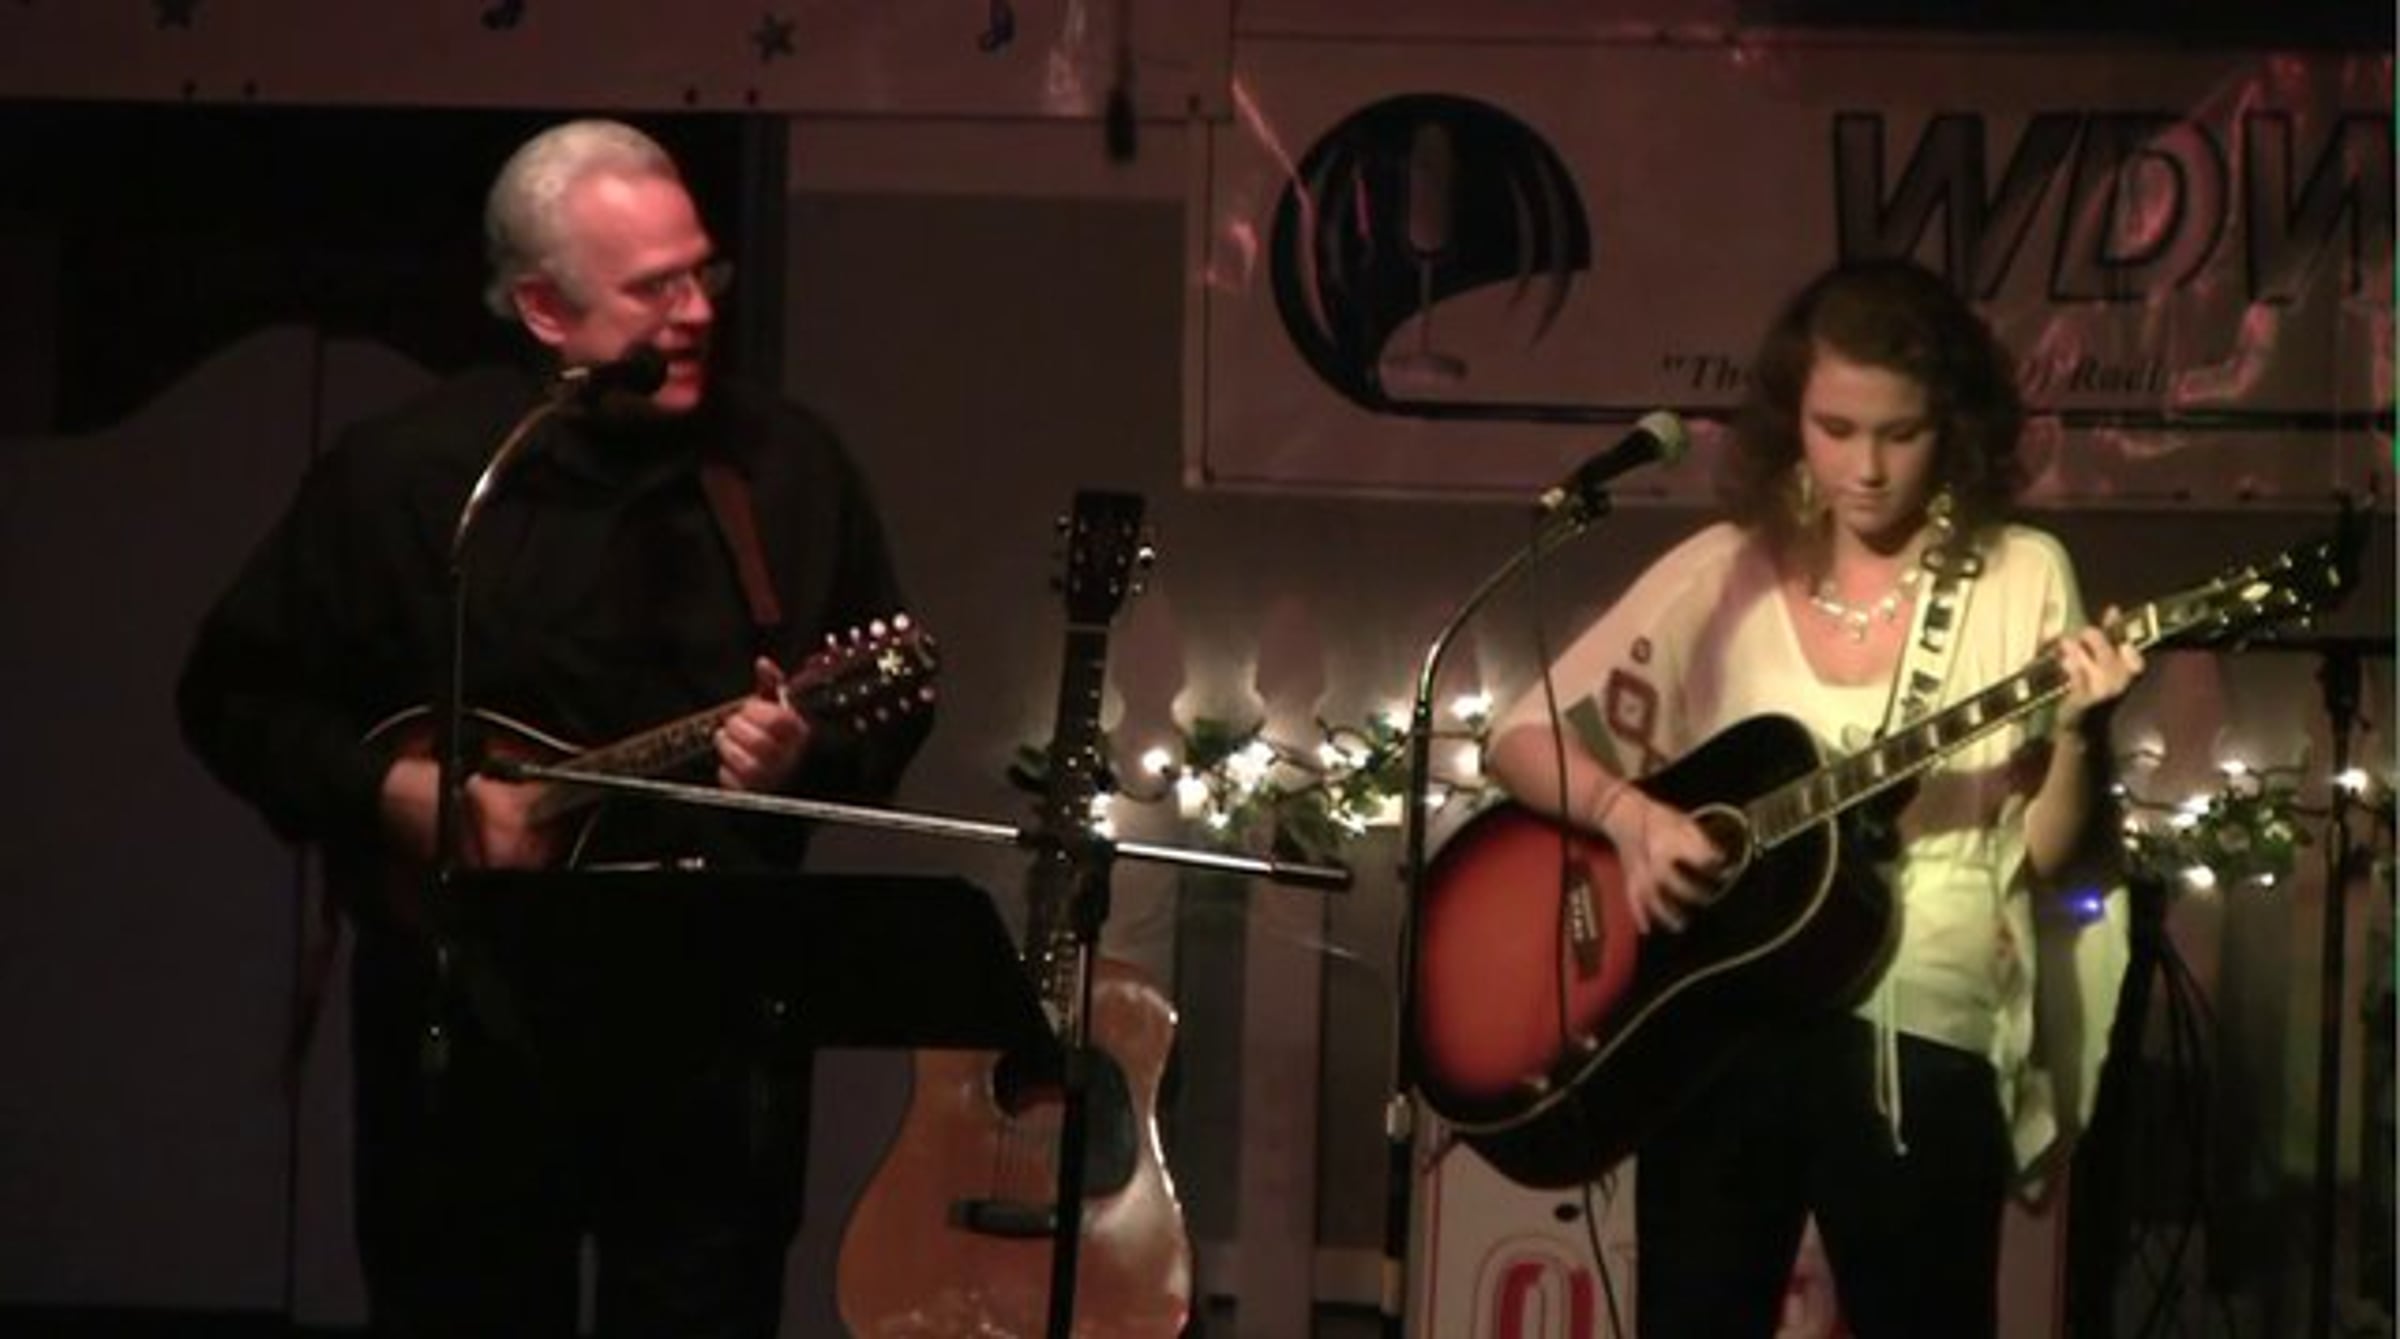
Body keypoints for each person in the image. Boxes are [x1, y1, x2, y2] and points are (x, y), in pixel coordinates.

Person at [176, 118, 927, 1337]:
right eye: (653, 289)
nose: (696, 311)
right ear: (542, 308)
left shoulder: (788, 468)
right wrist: (390, 794)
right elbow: (233, 697)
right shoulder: (418, 477)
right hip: (468, 1037)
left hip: (708, 1042)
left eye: (704, 274)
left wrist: (807, 754)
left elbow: (886, 711)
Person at [1484, 257, 2144, 1336]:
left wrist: (2081, 731)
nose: (1867, 468)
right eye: (1836, 429)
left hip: (1917, 1023)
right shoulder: (1726, 570)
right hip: (1720, 1020)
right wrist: (1630, 818)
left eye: (1901, 433)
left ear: (1954, 427)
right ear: (1792, 418)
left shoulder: (2021, 573)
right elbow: (1518, 737)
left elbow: (2050, 852)